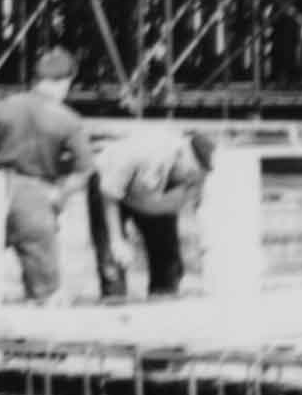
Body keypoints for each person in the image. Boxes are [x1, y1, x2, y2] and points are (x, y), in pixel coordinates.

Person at [0, 49, 92, 303]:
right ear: (65, 82)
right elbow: (85, 168)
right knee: (46, 292)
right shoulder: (68, 120)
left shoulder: (4, 107)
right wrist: (60, 195)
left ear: (36, 80)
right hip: (35, 196)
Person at [89, 124, 217, 300]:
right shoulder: (142, 152)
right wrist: (117, 240)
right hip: (110, 184)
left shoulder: (195, 173)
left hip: (151, 197)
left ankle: (164, 298)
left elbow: (199, 207)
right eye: (190, 172)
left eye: (196, 176)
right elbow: (110, 194)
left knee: (169, 262)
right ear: (181, 155)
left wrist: (205, 244)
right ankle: (114, 301)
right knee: (112, 259)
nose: (191, 178)